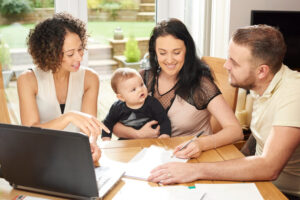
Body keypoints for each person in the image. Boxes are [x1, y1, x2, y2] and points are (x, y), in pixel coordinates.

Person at [148, 24, 300, 198]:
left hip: (284, 192)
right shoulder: (264, 85)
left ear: (262, 71)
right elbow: (259, 137)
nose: (226, 65)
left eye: (234, 62)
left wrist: (194, 170)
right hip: (256, 183)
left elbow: (269, 167)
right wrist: (233, 161)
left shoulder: (294, 94)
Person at [113, 18, 242, 157]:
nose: (169, 60)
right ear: (154, 52)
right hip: (149, 158)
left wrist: (201, 144)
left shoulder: (200, 85)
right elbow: (114, 124)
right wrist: (137, 134)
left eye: (176, 52)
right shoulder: (143, 79)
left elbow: (235, 130)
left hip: (190, 159)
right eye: (162, 53)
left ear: (187, 50)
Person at [17, 12, 109, 162]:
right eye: (70, 54)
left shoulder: (90, 79)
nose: (79, 58)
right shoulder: (28, 80)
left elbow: (89, 131)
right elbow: (31, 134)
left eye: (80, 50)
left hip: (74, 157)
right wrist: (69, 117)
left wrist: (91, 146)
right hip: (39, 159)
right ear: (51, 53)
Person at [101, 67, 171, 140]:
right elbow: (107, 123)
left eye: (141, 84)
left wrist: (165, 134)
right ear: (121, 97)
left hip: (150, 140)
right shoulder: (117, 107)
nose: (140, 89)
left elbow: (164, 120)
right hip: (127, 142)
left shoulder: (152, 103)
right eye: (133, 89)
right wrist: (106, 138)